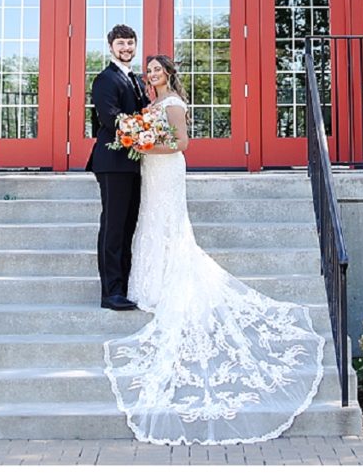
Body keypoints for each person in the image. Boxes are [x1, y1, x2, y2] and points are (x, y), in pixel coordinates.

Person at [103, 55, 326, 444]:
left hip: (166, 169)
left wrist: (143, 144)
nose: (153, 74)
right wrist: (140, 140)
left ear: (168, 74)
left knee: (168, 226)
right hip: (150, 171)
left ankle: (171, 282)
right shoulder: (150, 102)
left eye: (158, 70)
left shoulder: (172, 103)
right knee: (150, 225)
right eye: (150, 70)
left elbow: (181, 144)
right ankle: (148, 284)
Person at [88, 24, 149, 310]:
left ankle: (123, 287)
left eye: (130, 43)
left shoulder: (135, 79)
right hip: (112, 162)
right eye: (121, 43)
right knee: (113, 227)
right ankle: (110, 292)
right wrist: (145, 130)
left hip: (134, 164)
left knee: (127, 227)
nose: (126, 48)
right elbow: (110, 118)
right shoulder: (105, 80)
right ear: (111, 46)